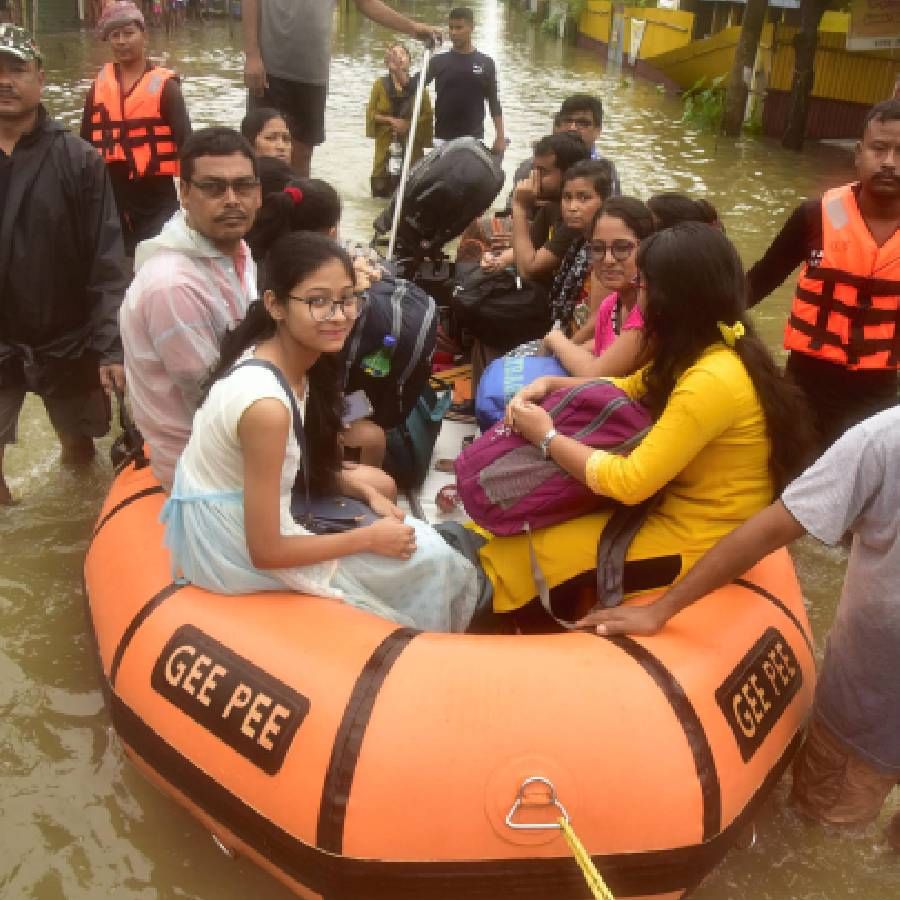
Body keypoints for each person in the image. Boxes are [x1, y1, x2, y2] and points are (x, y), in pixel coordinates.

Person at [584, 407, 900, 853]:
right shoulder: (883, 442)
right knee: (823, 837)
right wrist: (663, 608)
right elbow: (773, 527)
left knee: (851, 843)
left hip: (870, 700)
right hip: (869, 708)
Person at [481, 223, 814, 623]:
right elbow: (628, 386)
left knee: (523, 551)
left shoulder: (711, 380)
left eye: (642, 285)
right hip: (672, 510)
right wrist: (551, 382)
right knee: (525, 530)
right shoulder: (706, 350)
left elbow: (630, 482)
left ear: (671, 298)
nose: (636, 296)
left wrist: (546, 437)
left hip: (699, 539)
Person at [161, 232, 478, 633]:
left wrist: (358, 490)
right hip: (229, 544)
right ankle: (419, 657)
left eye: (347, 299)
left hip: (247, 509)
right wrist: (368, 539)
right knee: (430, 560)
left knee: (383, 494)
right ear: (275, 304)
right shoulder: (266, 407)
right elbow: (265, 550)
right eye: (318, 301)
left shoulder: (290, 361)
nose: (340, 315)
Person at [0, 25, 128, 505]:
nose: (5, 80)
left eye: (16, 69)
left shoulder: (79, 160)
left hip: (67, 337)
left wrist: (110, 347)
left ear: (40, 78)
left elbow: (107, 258)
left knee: (79, 448)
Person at [747, 98, 900, 454]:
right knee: (791, 482)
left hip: (879, 396)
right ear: (859, 154)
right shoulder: (813, 216)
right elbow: (755, 284)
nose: (890, 162)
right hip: (806, 387)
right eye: (879, 149)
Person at [119, 127, 261, 492]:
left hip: (232, 441)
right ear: (183, 192)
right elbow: (211, 397)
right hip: (203, 466)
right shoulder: (173, 285)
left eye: (243, 186)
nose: (232, 200)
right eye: (213, 187)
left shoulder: (235, 251)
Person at [242, 0, 440, 177]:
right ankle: (260, 212)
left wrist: (413, 28)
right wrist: (252, 54)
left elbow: (366, 3)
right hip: (271, 67)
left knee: (302, 153)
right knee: (262, 147)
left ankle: (297, 212)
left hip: (313, 72)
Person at [81, 1, 191, 256]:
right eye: (115, 35)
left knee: (160, 258)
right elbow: (84, 144)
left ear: (144, 35)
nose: (121, 41)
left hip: (157, 194)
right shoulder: (98, 87)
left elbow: (187, 143)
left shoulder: (166, 88)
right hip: (111, 193)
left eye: (129, 33)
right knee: (115, 261)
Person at [544, 196, 654, 378]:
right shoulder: (611, 306)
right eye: (598, 248)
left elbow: (595, 374)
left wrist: (555, 338)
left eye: (622, 247)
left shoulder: (651, 308)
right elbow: (603, 347)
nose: (608, 260)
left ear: (647, 248)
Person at [483, 132, 589, 281]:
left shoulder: (574, 218)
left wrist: (519, 207)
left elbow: (529, 270)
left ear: (569, 174)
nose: (534, 177)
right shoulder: (550, 207)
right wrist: (497, 260)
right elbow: (527, 245)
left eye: (543, 171)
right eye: (535, 169)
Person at [542, 160, 614, 335]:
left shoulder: (603, 255)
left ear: (604, 201)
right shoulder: (580, 241)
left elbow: (595, 325)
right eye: (567, 197)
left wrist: (555, 347)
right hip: (562, 331)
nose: (572, 207)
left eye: (584, 198)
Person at [425, 6, 505, 157]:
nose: (454, 32)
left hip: (473, 141)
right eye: (451, 27)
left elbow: (493, 102)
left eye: (459, 27)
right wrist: (398, 70)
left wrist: (500, 137)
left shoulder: (486, 63)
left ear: (471, 28)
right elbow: (414, 85)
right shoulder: (438, 62)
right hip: (442, 140)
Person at [365, 42, 433, 198]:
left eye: (403, 54)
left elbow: (428, 116)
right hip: (386, 146)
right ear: (387, 60)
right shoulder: (379, 85)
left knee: (412, 192)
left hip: (411, 149)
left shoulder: (419, 87)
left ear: (409, 60)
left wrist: (408, 125)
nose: (399, 57)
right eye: (394, 54)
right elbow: (371, 113)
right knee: (380, 196)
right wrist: (390, 120)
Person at [556, 93, 621, 195]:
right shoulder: (537, 165)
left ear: (598, 130)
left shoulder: (606, 172)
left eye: (582, 123)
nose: (572, 128)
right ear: (558, 126)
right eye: (568, 121)